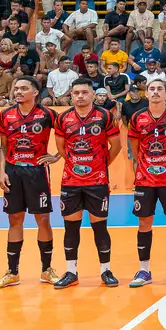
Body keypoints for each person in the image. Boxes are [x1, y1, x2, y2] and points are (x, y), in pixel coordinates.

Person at [50, 77, 122, 289]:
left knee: (100, 227)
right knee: (71, 228)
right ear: (71, 95)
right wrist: (77, 165)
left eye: (84, 92)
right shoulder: (63, 118)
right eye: (76, 93)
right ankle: (71, 272)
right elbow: (61, 148)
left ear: (92, 94)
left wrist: (100, 165)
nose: (80, 96)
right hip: (71, 182)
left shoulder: (105, 116)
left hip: (97, 181)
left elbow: (116, 146)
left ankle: (106, 270)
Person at [0, 77, 59, 288]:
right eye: (16, 88)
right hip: (13, 171)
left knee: (43, 219)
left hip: (37, 171)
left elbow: (69, 134)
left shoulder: (47, 114)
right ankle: (12, 272)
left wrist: (57, 156)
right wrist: (1, 172)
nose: (18, 92)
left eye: (23, 88)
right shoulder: (6, 114)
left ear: (35, 92)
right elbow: (3, 147)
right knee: (15, 219)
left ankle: (46, 270)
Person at [125, 77, 166, 287]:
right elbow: (136, 150)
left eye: (159, 89)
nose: (155, 92)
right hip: (145, 180)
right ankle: (144, 271)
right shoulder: (137, 117)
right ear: (146, 93)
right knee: (144, 223)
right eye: (151, 88)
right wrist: (148, 165)